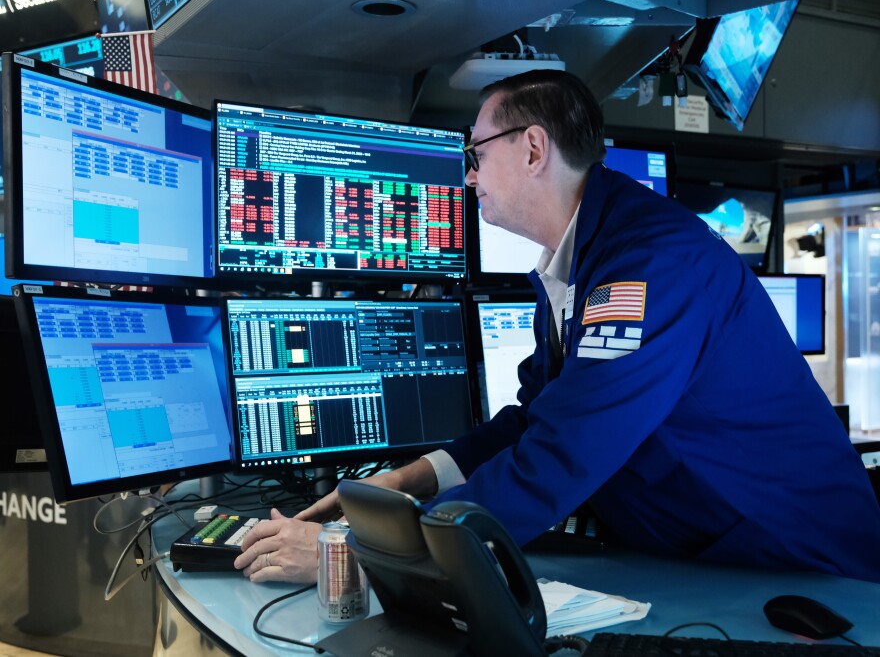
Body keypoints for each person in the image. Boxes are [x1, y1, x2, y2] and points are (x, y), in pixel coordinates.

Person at [235, 69, 880, 585]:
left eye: (475, 152)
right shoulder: (582, 261)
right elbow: (536, 418)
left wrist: (356, 550)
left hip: (804, 569)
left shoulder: (650, 265)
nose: (467, 175)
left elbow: (559, 455)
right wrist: (410, 480)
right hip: (717, 558)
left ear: (534, 148)